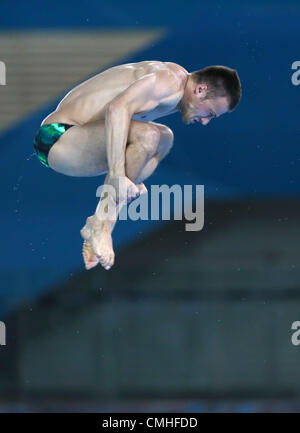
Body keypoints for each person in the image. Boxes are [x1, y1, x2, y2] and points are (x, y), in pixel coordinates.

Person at [33, 60, 241, 271]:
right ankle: (101, 226)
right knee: (148, 136)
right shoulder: (168, 82)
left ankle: (100, 221)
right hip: (56, 137)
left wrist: (130, 172)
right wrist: (116, 174)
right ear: (200, 89)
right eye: (211, 113)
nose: (206, 121)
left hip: (80, 139)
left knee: (165, 138)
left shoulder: (176, 85)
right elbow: (116, 109)